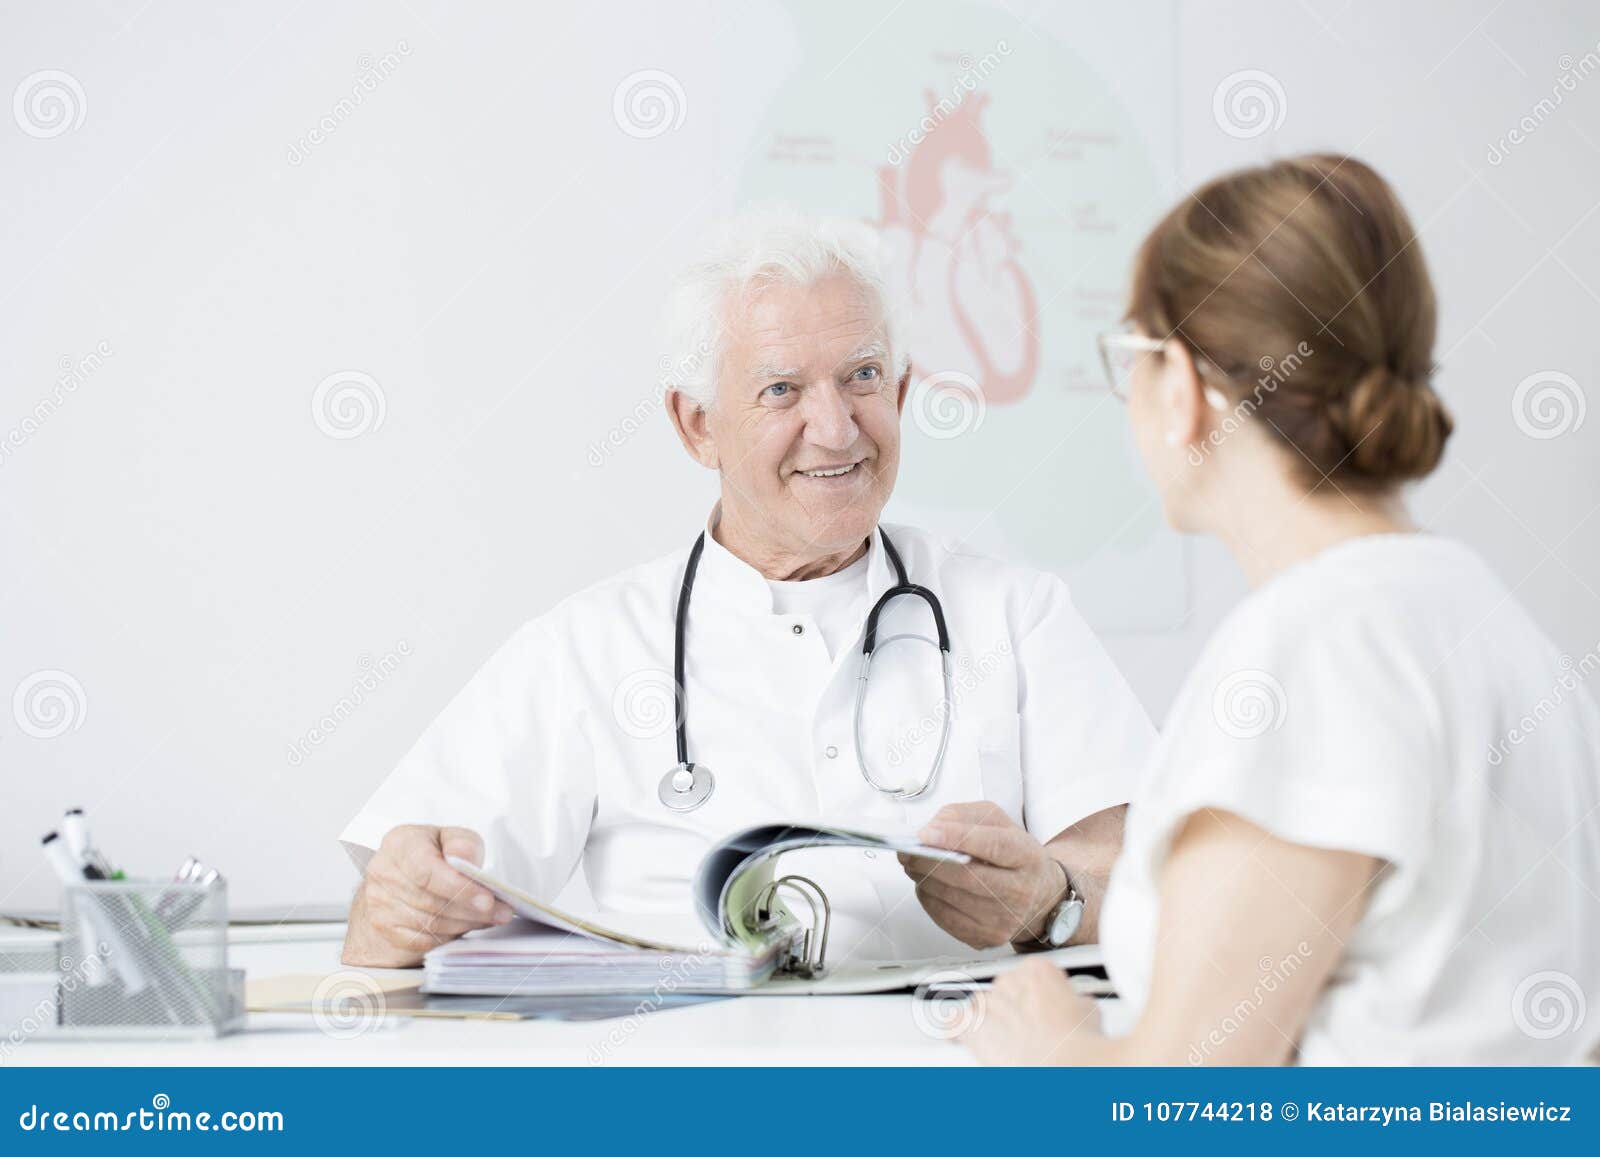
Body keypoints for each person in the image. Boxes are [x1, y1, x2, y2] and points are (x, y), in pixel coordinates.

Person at [338, 210, 1154, 967]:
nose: (835, 429)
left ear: (901, 395)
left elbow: (1152, 888)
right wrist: (397, 910)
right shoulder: (581, 650)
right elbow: (393, 919)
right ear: (698, 426)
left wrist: (1051, 899)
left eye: (863, 376)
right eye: (781, 390)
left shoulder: (1017, 615)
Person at [956, 155, 1600, 1065]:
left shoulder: (1319, 649)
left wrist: (1048, 1041)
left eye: (1130, 361)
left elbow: (1183, 1104)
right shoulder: (1482, 613)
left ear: (1182, 387)